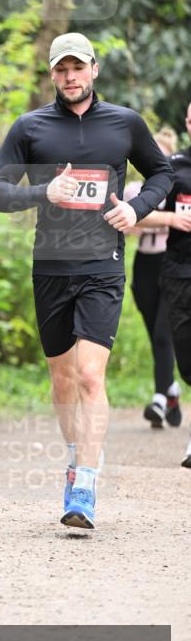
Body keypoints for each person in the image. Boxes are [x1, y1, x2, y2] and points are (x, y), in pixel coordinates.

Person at [0, 33, 173, 530]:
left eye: (78, 67)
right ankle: (76, 456)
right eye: (61, 69)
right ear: (52, 74)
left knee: (90, 375)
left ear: (94, 69)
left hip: (102, 265)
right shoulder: (31, 127)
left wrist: (136, 208)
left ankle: (84, 484)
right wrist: (44, 191)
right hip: (50, 266)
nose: (70, 77)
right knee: (63, 378)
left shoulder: (125, 123)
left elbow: (162, 174)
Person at [134, 101, 191, 467]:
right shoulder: (173, 168)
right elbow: (137, 214)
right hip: (171, 271)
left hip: (174, 268)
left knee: (165, 339)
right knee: (181, 354)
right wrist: (170, 218)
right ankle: (170, 387)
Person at [124, 127, 182, 429]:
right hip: (143, 265)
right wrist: (162, 220)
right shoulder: (133, 190)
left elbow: (142, 221)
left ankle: (159, 399)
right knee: (155, 335)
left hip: (169, 262)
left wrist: (145, 219)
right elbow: (126, 226)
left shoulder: (177, 185)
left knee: (163, 334)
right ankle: (171, 390)